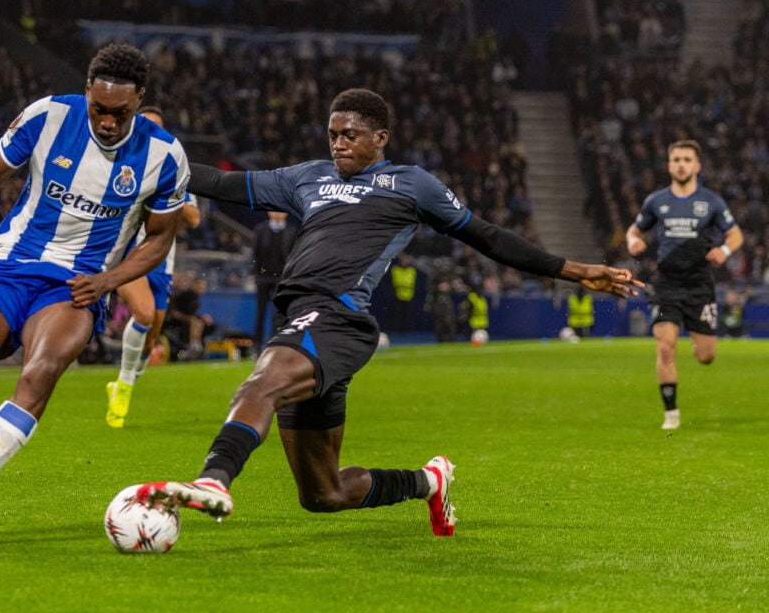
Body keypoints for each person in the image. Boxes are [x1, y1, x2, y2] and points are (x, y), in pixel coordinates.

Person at [133, 88, 642, 539]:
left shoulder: (410, 184)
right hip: (305, 321)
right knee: (323, 494)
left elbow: (486, 235)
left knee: (257, 385)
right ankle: (429, 481)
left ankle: (212, 480)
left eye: (350, 134)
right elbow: (220, 184)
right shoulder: (305, 178)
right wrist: (149, 161)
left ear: (380, 137)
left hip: (337, 318)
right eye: (332, 134)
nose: (338, 144)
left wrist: (573, 270)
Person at [0, 42, 189, 540]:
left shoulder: (164, 155)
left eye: (120, 113)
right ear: (86, 91)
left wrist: (109, 282)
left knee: (40, 371)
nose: (108, 122)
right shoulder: (48, 115)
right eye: (99, 109)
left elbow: (159, 240)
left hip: (77, 285)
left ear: (140, 100)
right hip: (10, 267)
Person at [626, 139, 743, 430]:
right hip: (666, 284)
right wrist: (632, 241)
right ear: (669, 165)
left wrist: (725, 251)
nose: (681, 164)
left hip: (699, 284)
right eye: (676, 159)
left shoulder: (711, 202)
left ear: (697, 165)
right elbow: (634, 229)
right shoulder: (656, 201)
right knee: (665, 348)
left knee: (706, 356)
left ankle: (695, 334)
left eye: (687, 159)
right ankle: (671, 413)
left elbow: (735, 236)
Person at [104, 106, 202, 428]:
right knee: (143, 315)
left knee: (151, 340)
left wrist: (171, 196)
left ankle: (125, 380)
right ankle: (124, 387)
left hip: (162, 257)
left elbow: (194, 219)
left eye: (157, 127)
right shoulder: (120, 163)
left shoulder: (175, 169)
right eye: (144, 124)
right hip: (128, 252)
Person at [251, 210, 298, 349]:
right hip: (263, 277)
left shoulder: (291, 231)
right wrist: (255, 273)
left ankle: (276, 344)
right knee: (260, 312)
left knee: (279, 313)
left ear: (286, 213)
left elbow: (293, 254)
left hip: (282, 278)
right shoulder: (260, 229)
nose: (277, 214)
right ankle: (257, 346)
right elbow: (255, 253)